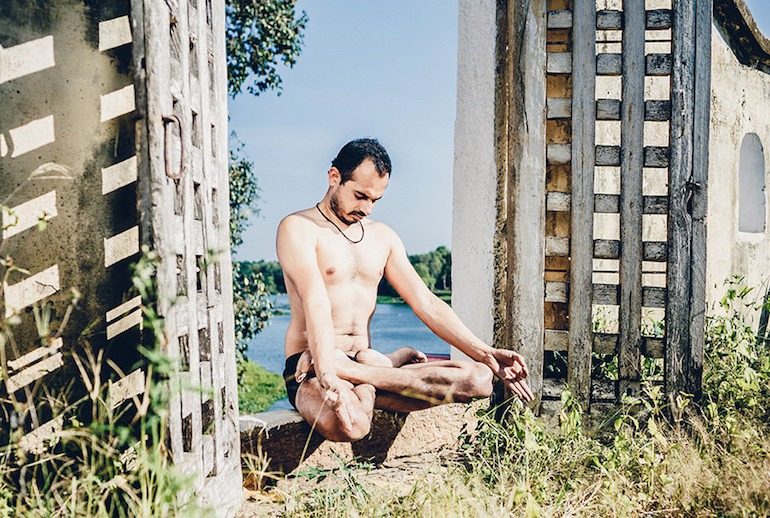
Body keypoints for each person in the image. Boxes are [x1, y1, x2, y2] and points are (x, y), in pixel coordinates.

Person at [276, 138, 533, 442]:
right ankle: (380, 369)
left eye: (375, 200)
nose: (367, 208)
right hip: (312, 369)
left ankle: (365, 377)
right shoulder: (298, 227)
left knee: (479, 379)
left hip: (360, 362)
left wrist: (485, 353)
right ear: (334, 178)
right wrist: (328, 370)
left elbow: (425, 302)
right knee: (352, 426)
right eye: (360, 196)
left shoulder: (382, 237)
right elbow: (316, 300)